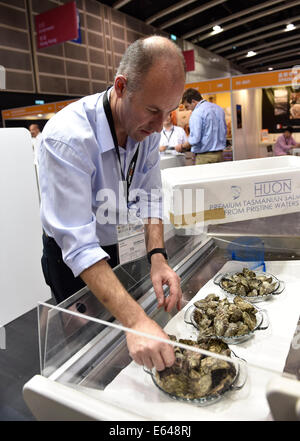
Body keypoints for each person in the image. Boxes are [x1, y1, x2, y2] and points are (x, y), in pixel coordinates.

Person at [39, 35, 186, 372]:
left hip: (121, 244)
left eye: (169, 113)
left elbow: (150, 198)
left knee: (128, 338)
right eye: (152, 110)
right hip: (73, 261)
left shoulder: (145, 130)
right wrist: (136, 321)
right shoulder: (68, 138)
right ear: (121, 87)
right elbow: (78, 247)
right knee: (88, 349)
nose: (160, 126)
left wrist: (158, 258)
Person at [175, 88, 227, 164]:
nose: (188, 110)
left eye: (187, 106)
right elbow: (223, 131)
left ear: (193, 102)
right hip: (220, 155)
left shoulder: (197, 113)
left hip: (204, 158)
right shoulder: (218, 109)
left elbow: (195, 139)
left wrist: (182, 146)